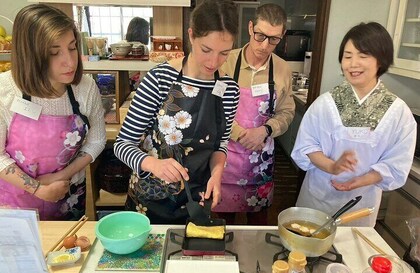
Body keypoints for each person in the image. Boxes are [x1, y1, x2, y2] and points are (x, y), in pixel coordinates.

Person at [114, 0, 240, 224]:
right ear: (191, 35)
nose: (214, 62)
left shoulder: (229, 90)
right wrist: (153, 164)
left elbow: (219, 145)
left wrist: (217, 174)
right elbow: (122, 145)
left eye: (224, 53)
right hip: (149, 201)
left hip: (197, 200)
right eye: (206, 50)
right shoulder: (159, 79)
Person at [291, 22, 417, 226]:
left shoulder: (398, 113)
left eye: (363, 56)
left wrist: (358, 181)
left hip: (360, 205)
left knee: (352, 253)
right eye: (347, 56)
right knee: (308, 249)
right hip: (317, 199)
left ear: (381, 60)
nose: (353, 63)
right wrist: (332, 166)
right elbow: (307, 147)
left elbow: (396, 163)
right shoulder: (325, 104)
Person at [0, 4, 106, 220]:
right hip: (14, 205)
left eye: (73, 47)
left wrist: (61, 176)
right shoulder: (5, 90)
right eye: (54, 52)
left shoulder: (85, 88)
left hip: (66, 197)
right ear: (30, 55)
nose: (69, 61)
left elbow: (97, 141)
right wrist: (38, 188)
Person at [213, 3, 295, 225]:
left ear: (282, 35)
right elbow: (213, 108)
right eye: (260, 36)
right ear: (250, 27)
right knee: (222, 224)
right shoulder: (224, 61)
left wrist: (266, 130)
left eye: (274, 39)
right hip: (225, 157)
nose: (265, 45)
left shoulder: (282, 69)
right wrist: (240, 134)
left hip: (260, 161)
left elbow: (287, 112)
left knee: (258, 224)